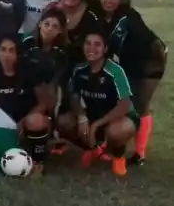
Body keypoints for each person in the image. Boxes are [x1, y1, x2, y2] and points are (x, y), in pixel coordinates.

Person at [95, 0, 167, 165]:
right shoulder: (104, 17)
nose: (109, 0)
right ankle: (107, 144)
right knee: (123, 101)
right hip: (130, 63)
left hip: (151, 61)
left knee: (139, 104)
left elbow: (112, 46)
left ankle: (139, 153)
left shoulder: (126, 16)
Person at [58, 29, 140, 177]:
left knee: (117, 132)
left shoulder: (115, 71)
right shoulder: (79, 69)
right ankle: (93, 149)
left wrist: (96, 125)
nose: (91, 48)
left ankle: (118, 156)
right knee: (64, 122)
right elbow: (74, 96)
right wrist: (81, 117)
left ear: (105, 49)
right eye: (88, 43)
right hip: (93, 114)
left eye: (97, 44)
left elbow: (124, 105)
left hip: (119, 117)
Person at [0, 34, 51, 171]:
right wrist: (8, 124)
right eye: (3, 50)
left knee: (36, 121)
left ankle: (38, 161)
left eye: (11, 50)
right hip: (7, 122)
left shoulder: (30, 71)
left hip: (29, 119)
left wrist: (23, 121)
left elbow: (44, 103)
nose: (6, 55)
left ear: (17, 53)